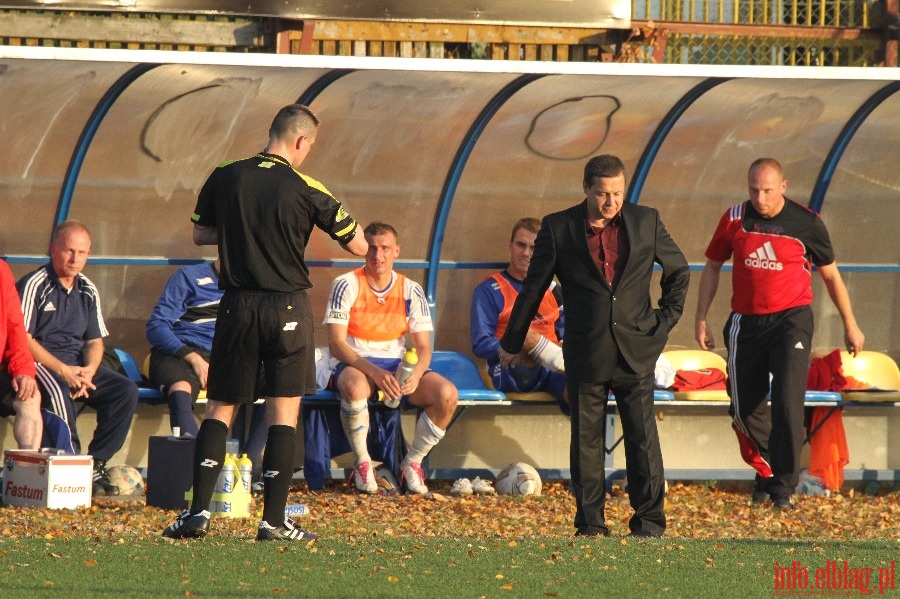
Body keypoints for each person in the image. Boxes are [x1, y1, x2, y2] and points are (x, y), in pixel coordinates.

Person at [162, 104, 367, 542]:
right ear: (301, 141)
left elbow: (199, 234)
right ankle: (273, 521)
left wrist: (243, 228)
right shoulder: (306, 186)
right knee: (283, 413)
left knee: (220, 407)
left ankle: (197, 514)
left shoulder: (227, 172)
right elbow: (358, 245)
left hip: (236, 306)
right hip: (287, 308)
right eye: (310, 146)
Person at [498, 155, 689, 538]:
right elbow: (533, 288)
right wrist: (513, 341)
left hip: (637, 347)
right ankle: (590, 524)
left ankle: (649, 523)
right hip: (587, 349)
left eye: (618, 193)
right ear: (586, 188)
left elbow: (678, 271)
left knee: (642, 438)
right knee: (585, 440)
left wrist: (661, 323)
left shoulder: (645, 220)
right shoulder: (558, 227)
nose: (611, 202)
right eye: (602, 193)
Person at [694, 157, 864, 510]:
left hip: (791, 321)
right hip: (746, 322)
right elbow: (712, 267)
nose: (760, 198)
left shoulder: (807, 223)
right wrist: (701, 317)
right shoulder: (735, 218)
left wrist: (851, 324)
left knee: (788, 402)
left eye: (768, 190)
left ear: (783, 187)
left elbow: (831, 275)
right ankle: (769, 471)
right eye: (754, 190)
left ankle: (783, 486)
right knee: (743, 409)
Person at [324, 221, 459, 495]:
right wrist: (374, 372)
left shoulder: (411, 290)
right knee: (355, 387)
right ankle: (362, 463)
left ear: (396, 251)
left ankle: (412, 463)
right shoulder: (346, 284)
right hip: (355, 362)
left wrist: (417, 374)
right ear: (363, 250)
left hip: (396, 365)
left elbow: (423, 348)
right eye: (372, 248)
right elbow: (337, 344)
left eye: (385, 248)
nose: (378, 255)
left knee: (446, 394)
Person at [16, 220, 139, 496]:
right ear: (53, 250)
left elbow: (95, 341)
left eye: (82, 253)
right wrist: (63, 370)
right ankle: (69, 472)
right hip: (40, 363)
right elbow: (22, 338)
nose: (75, 259)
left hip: (78, 366)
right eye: (69, 250)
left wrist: (89, 370)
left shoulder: (87, 289)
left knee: (125, 391)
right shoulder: (34, 284)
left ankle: (95, 464)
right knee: (59, 393)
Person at [145, 258, 268, 475]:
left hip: (228, 355)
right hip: (182, 350)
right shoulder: (188, 277)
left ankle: (247, 469)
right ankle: (196, 467)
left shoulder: (253, 285)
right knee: (180, 387)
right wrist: (192, 357)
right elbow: (156, 326)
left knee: (280, 385)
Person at [470, 217, 568, 415]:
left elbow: (568, 336)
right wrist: (517, 346)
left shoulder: (555, 291)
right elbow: (481, 344)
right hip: (510, 367)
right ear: (510, 246)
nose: (526, 253)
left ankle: (588, 445)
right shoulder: (489, 290)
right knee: (524, 335)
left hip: (552, 369)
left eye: (534, 248)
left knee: (582, 392)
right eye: (521, 245)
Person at [0, 259, 42, 449]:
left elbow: (15, 326)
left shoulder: (1, 270)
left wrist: (22, 371)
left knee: (29, 396)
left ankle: (30, 469)